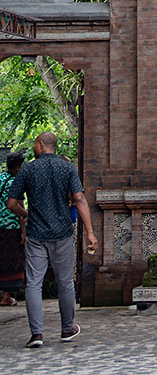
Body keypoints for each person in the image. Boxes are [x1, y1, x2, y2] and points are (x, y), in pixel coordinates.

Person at [7, 131, 98, 349]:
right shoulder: (67, 168)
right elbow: (79, 198)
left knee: (33, 284)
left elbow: (11, 203)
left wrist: (25, 214)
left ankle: (37, 334)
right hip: (62, 233)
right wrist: (90, 232)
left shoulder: (28, 169)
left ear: (40, 144)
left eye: (35, 143)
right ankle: (67, 329)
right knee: (65, 282)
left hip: (36, 235)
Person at [0, 152, 26, 306]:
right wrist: (23, 231)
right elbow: (19, 208)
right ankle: (6, 297)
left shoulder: (0, 178)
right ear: (17, 167)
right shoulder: (16, 182)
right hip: (11, 227)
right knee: (10, 261)